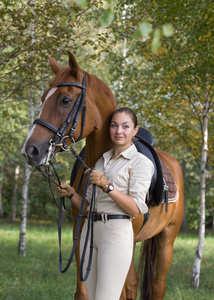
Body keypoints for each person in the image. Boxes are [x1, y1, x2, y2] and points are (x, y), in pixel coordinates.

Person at [56, 107, 154, 300]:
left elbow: (135, 209)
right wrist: (72, 194)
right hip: (90, 233)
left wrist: (106, 186)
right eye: (114, 125)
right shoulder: (102, 161)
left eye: (125, 126)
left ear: (135, 130)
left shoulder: (140, 162)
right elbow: (87, 206)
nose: (119, 131)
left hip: (115, 233)